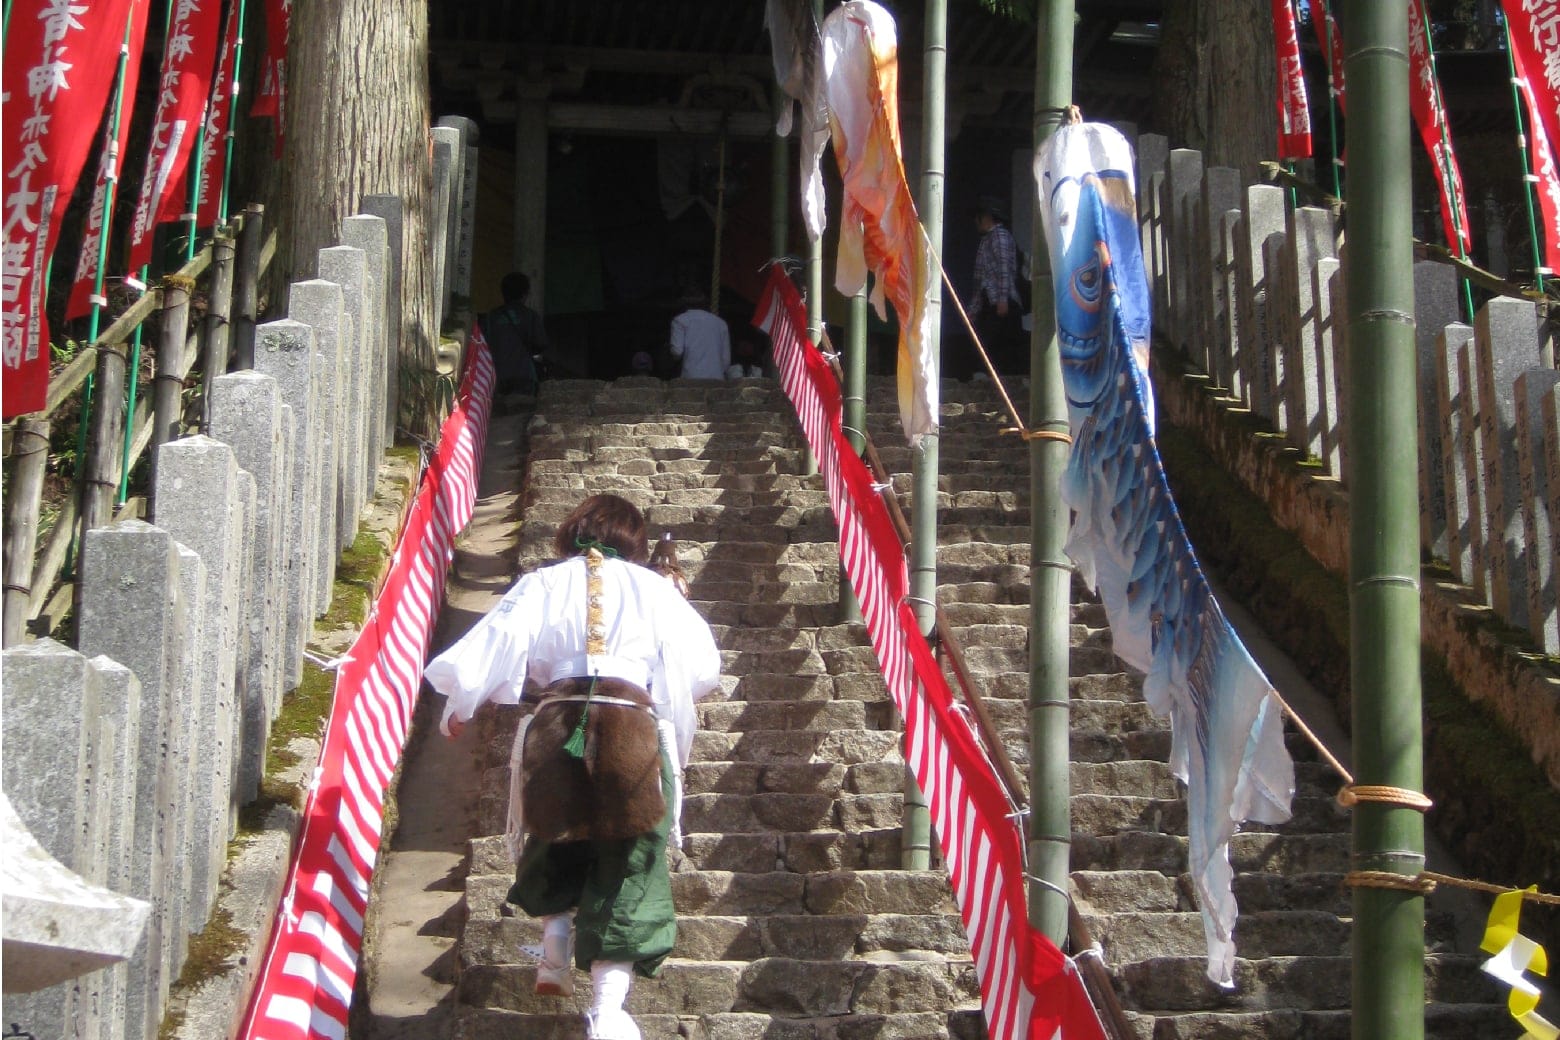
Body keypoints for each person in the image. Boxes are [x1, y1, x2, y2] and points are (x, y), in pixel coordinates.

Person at [423, 495, 721, 1040]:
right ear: (634, 540)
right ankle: (607, 1012)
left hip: (557, 718)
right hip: (632, 722)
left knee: (553, 832)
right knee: (631, 859)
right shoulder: (656, 589)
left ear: (573, 530)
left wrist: (462, 702)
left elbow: (500, 638)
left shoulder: (543, 582)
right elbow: (702, 667)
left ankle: (554, 945)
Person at [968, 196, 1026, 376]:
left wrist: (1002, 299)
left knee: (1002, 342)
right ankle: (985, 376)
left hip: (1002, 300)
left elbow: (1004, 269)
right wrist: (973, 310)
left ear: (987, 217)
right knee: (987, 339)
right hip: (991, 299)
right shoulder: (987, 239)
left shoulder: (1000, 236)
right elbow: (982, 280)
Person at [482, 272, 550, 396]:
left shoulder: (491, 317)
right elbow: (541, 344)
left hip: (495, 377)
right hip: (524, 376)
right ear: (525, 294)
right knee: (524, 410)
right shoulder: (531, 316)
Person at [667, 289, 731, 379]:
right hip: (716, 377)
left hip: (691, 376)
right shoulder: (720, 323)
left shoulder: (680, 320)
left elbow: (677, 352)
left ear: (684, 304)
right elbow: (726, 360)